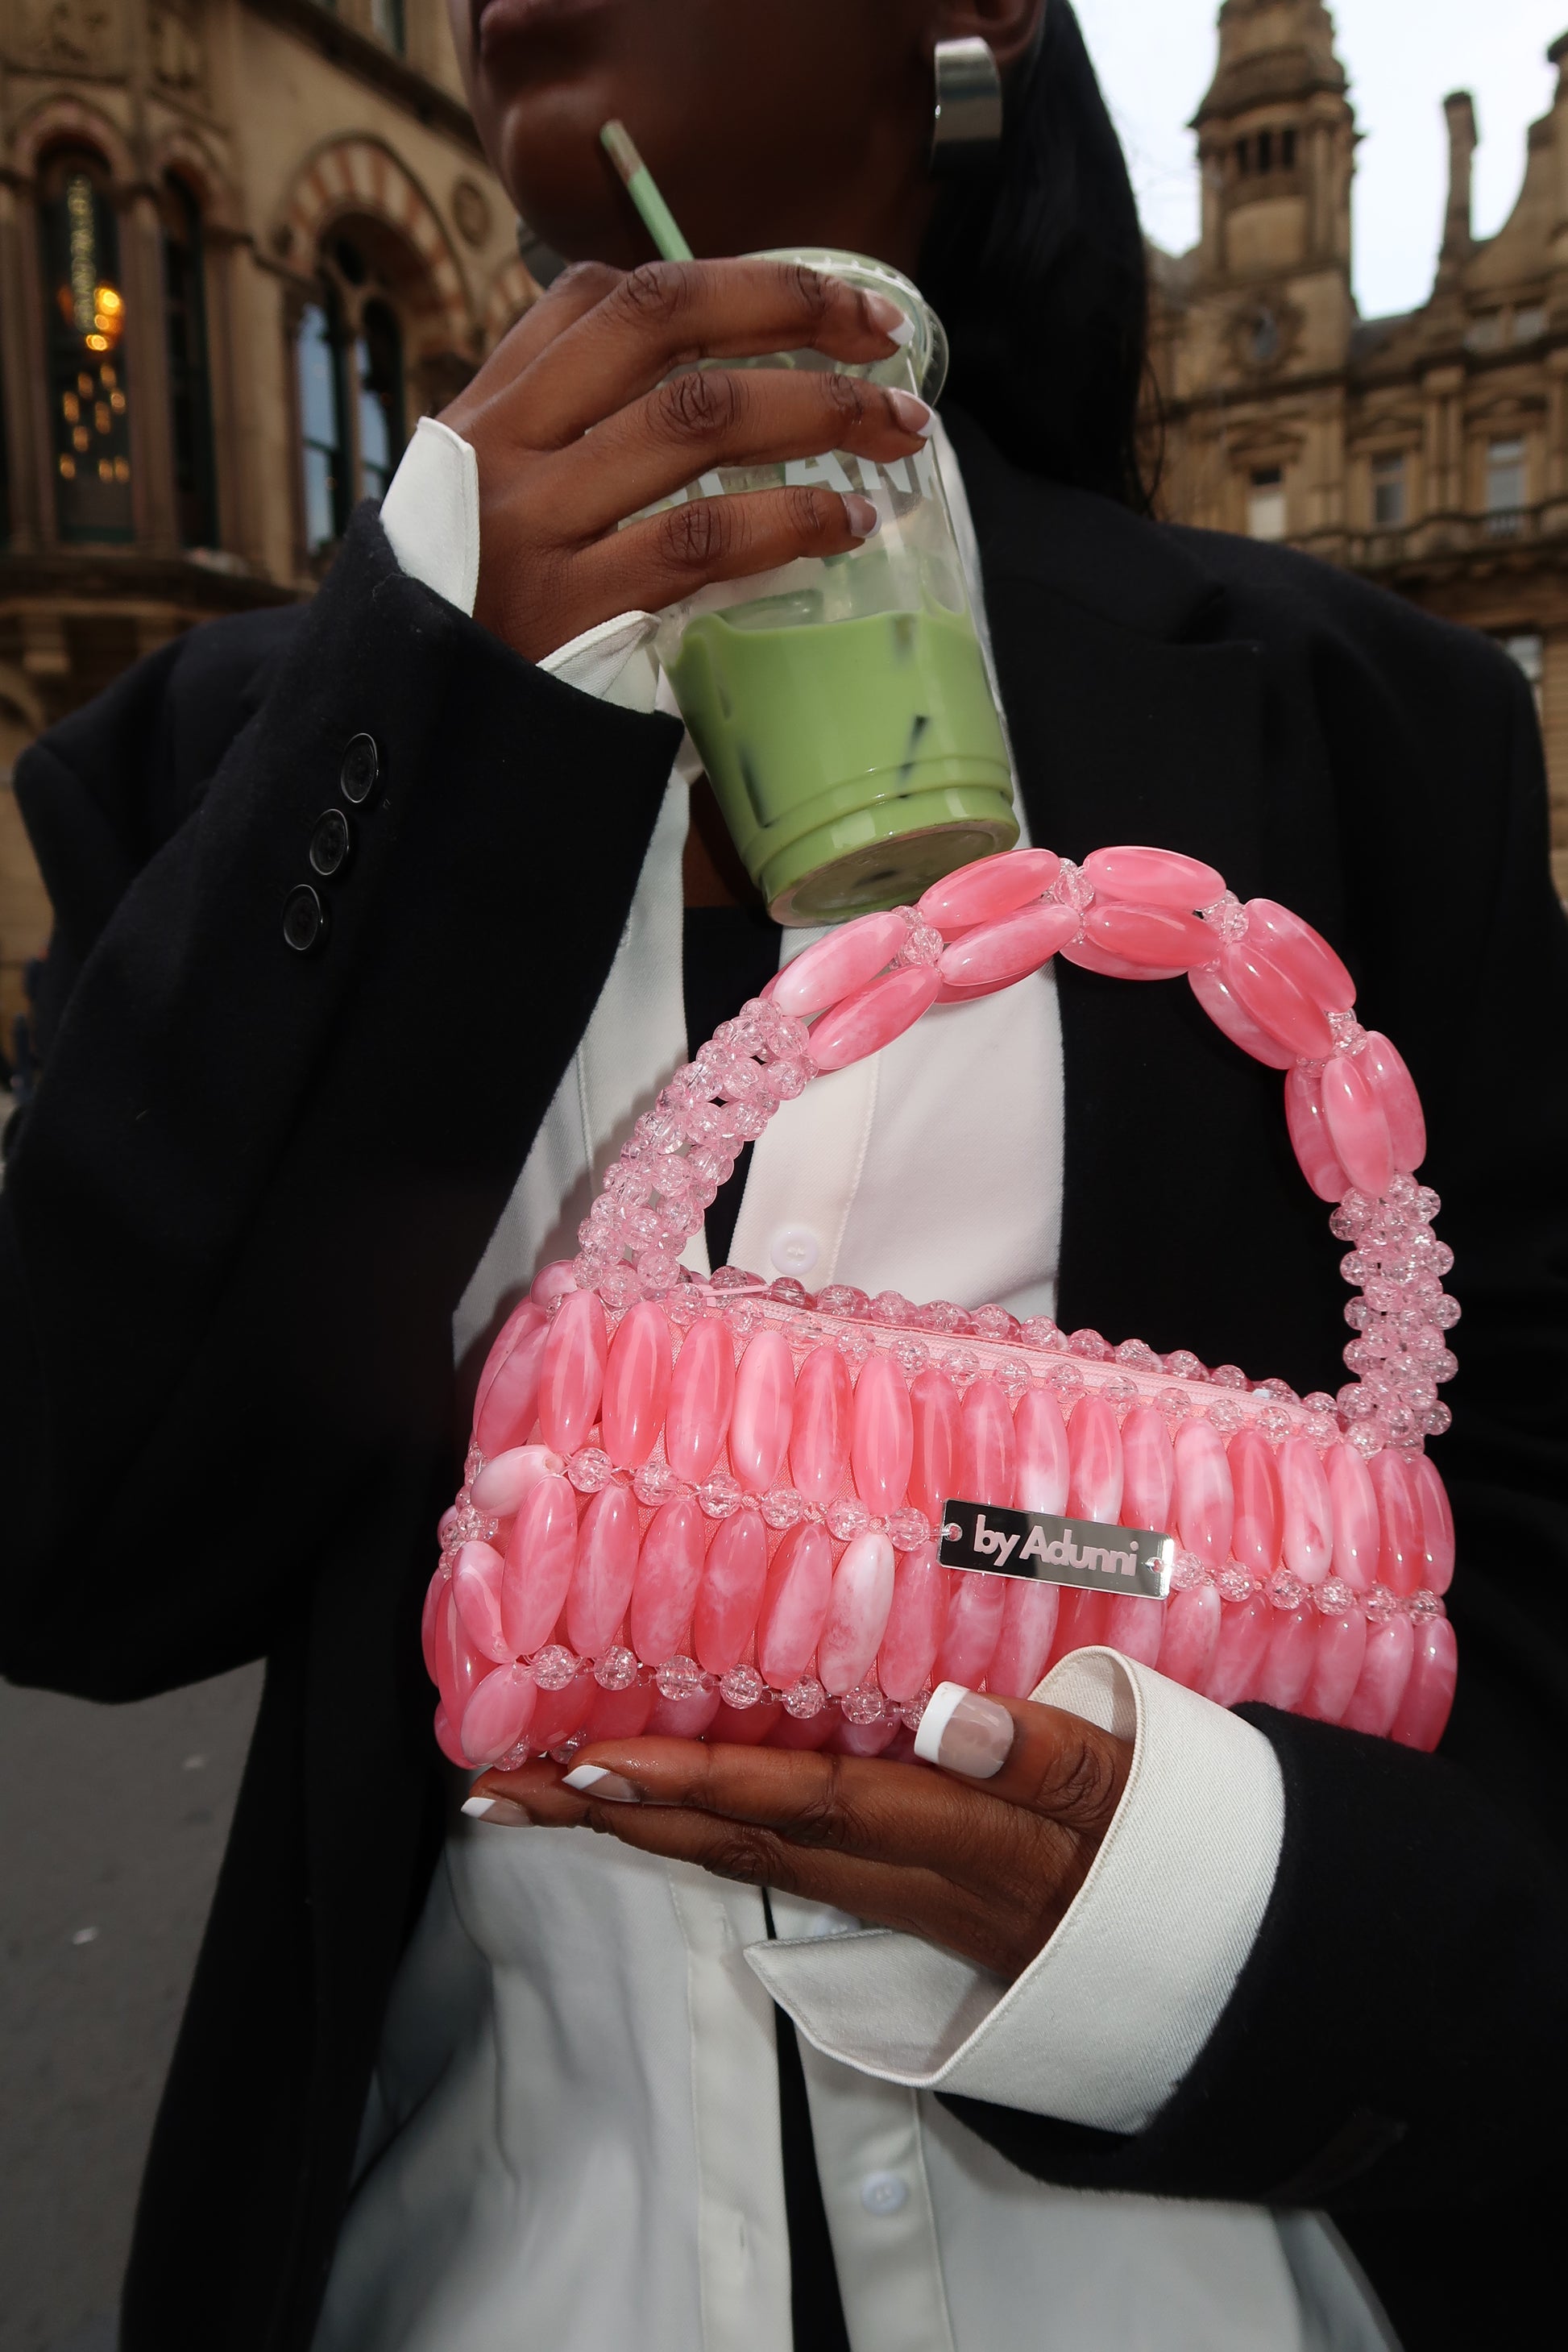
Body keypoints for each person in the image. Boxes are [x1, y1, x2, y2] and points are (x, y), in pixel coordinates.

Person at [3, 3, 1566, 2347]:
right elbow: (78, 1544)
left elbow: (1530, 1538)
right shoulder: (243, 759)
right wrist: (418, 677)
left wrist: (1193, 1909)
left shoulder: (1370, 724)